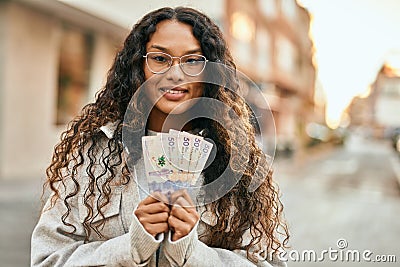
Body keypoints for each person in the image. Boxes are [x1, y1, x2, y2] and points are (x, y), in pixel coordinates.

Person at [31, 6, 289, 267]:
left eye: (192, 61)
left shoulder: (239, 163)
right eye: (160, 59)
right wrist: (131, 247)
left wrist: (191, 252)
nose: (175, 74)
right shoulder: (93, 152)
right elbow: (47, 259)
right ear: (138, 65)